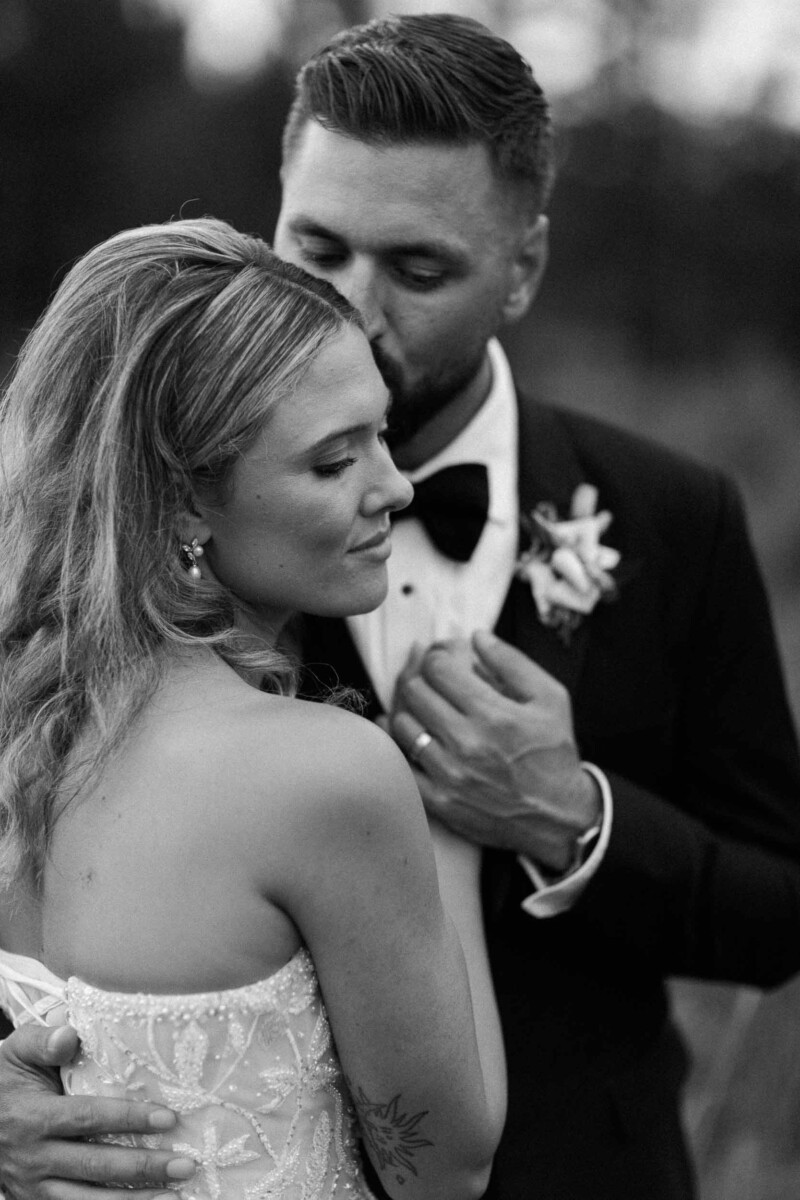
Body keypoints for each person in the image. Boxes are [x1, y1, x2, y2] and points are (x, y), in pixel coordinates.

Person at [2, 11, 800, 1200]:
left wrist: (572, 820)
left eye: (417, 269)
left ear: (521, 267)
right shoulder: (152, 549)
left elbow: (774, 910)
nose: (354, 308)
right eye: (315, 246)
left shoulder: (672, 515)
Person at [0, 216, 507, 1200]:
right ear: (182, 502)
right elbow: (444, 1171)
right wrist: (450, 823)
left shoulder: (18, 724)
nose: (395, 487)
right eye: (332, 463)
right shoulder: (328, 775)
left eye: (382, 438)